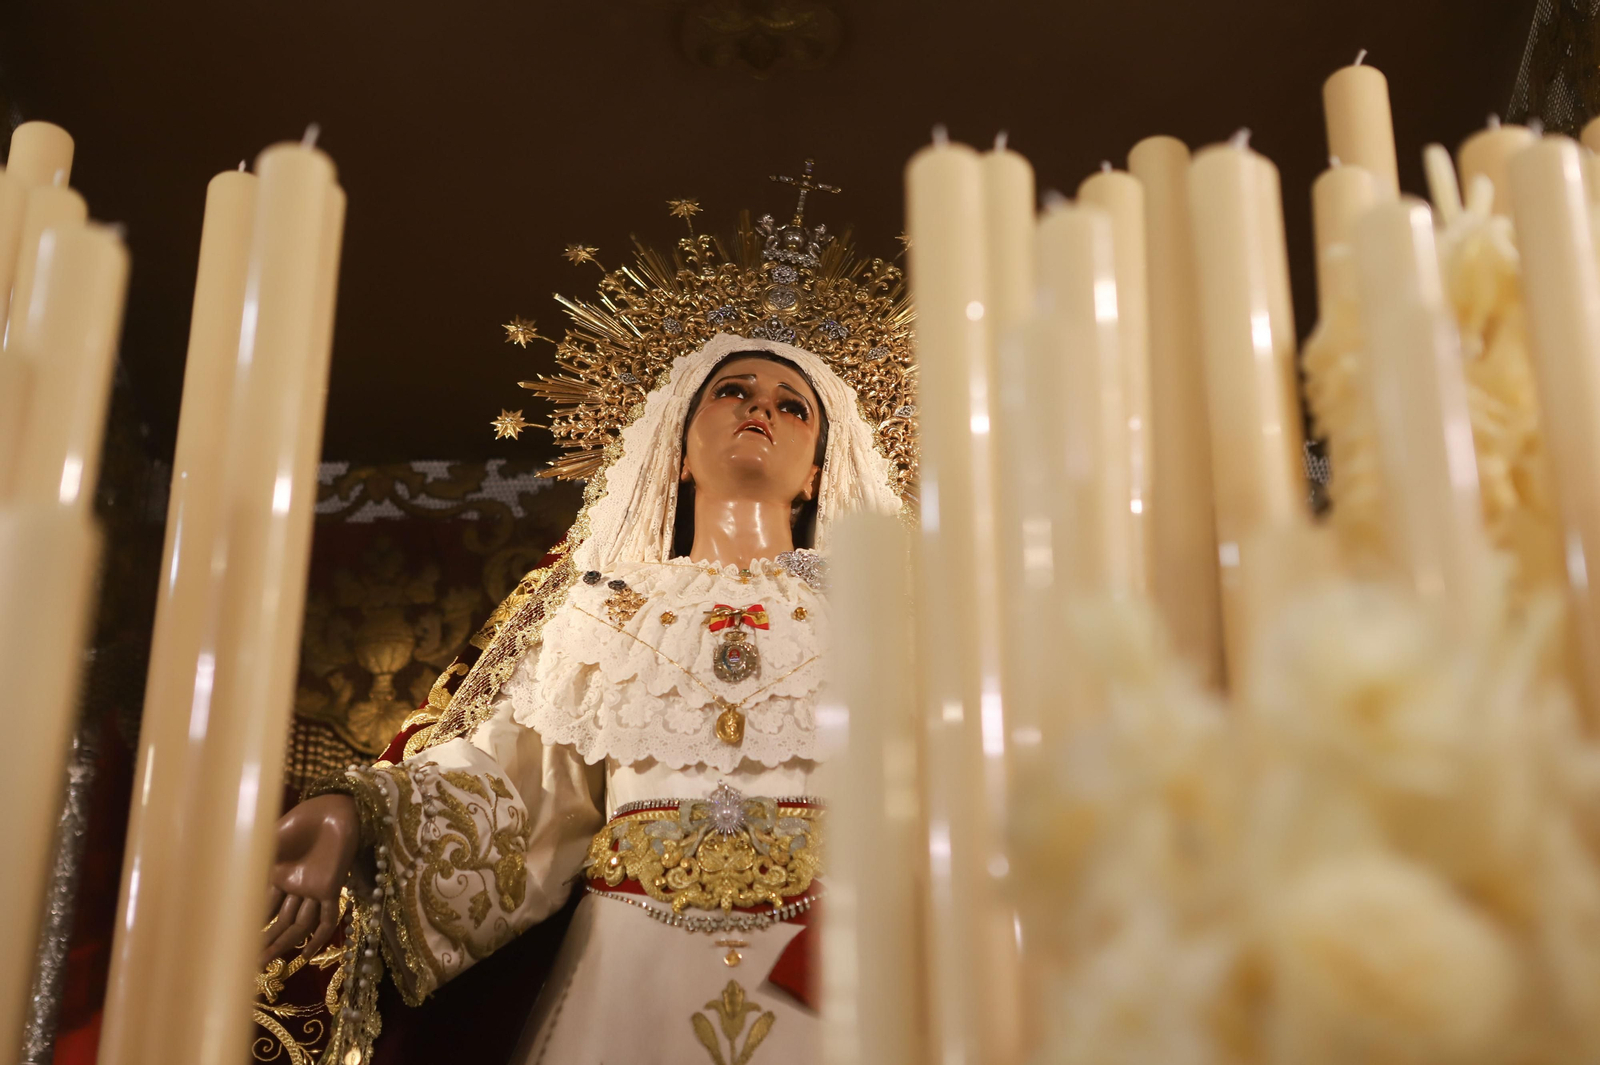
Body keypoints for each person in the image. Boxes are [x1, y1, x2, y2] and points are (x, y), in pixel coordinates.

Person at [257, 192, 916, 1065]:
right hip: (630, 969)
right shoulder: (601, 611)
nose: (762, 408)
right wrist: (362, 813)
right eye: (733, 389)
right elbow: (513, 784)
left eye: (794, 405)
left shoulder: (893, 619)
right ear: (678, 448)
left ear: (816, 474)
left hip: (832, 969)